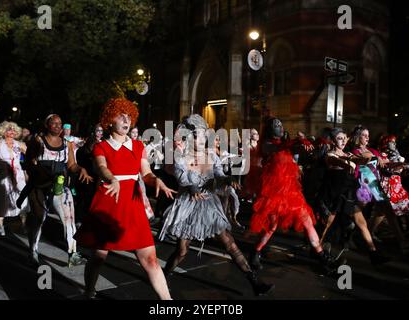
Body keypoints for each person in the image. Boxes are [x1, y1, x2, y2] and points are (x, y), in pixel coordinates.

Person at [159, 114, 274, 296]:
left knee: (229, 242)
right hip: (189, 206)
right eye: (197, 135)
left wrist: (228, 179)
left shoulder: (211, 154)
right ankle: (163, 276)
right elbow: (181, 178)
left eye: (204, 134)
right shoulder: (181, 156)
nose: (201, 138)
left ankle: (254, 281)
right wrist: (192, 187)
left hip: (209, 204)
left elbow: (219, 174)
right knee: (182, 251)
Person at [74, 97, 176, 300]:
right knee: (98, 257)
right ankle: (89, 291)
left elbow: (146, 173)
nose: (126, 119)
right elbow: (102, 168)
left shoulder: (138, 146)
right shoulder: (100, 147)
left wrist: (156, 181)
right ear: (110, 120)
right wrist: (112, 179)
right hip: (109, 200)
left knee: (151, 260)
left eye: (129, 115)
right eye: (121, 115)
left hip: (132, 202)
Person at [248, 117, 339, 273]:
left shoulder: (285, 145)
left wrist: (313, 144)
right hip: (274, 194)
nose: (280, 127)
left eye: (281, 124)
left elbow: (299, 150)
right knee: (271, 226)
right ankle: (255, 252)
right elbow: (279, 148)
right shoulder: (266, 145)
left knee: (307, 221)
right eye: (276, 125)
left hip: (291, 192)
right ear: (269, 129)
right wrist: (296, 142)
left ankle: (322, 257)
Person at [24, 114, 92, 267]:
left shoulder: (67, 143)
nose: (57, 126)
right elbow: (28, 162)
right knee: (38, 219)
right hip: (40, 186)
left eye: (59, 123)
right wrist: (39, 170)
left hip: (59, 186)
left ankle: (72, 254)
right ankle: (33, 251)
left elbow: (71, 165)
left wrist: (81, 169)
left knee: (69, 219)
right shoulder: (38, 141)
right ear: (46, 125)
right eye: (53, 123)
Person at [320, 128, 390, 265]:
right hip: (334, 196)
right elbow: (336, 161)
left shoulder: (348, 154)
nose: (343, 141)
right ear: (333, 140)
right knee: (327, 225)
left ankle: (373, 254)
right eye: (340, 138)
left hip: (347, 194)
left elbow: (360, 160)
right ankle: (317, 248)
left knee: (362, 223)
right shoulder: (330, 154)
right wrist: (345, 163)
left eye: (344, 138)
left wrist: (374, 157)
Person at [0, 121, 29, 236]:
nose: (12, 131)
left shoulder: (20, 144)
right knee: (2, 198)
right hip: (4, 174)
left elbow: (31, 156)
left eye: (14, 130)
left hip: (18, 174)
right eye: (9, 129)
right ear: (4, 131)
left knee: (23, 197)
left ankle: (23, 225)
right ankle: (0, 226)